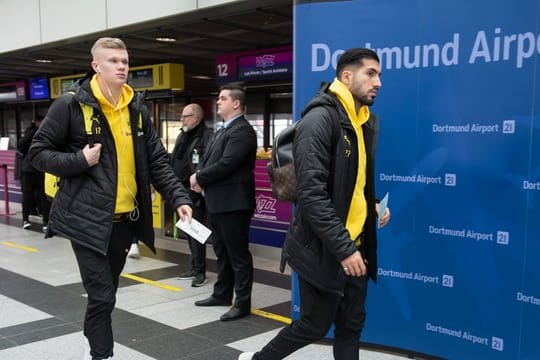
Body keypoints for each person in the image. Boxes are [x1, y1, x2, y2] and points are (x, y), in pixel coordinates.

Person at [27, 37, 192, 360]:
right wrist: (79, 160)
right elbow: (38, 153)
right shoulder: (71, 105)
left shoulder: (137, 108)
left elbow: (157, 161)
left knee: (107, 294)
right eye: (113, 61)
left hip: (124, 222)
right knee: (102, 295)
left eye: (125, 61)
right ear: (96, 66)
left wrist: (178, 197)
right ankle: (101, 354)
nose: (121, 66)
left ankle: (95, 335)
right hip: (86, 219)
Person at [239, 48, 391, 360]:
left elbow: (353, 181)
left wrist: (372, 204)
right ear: (346, 76)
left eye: (379, 75)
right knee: (313, 324)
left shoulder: (363, 121)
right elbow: (311, 194)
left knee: (351, 325)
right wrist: (344, 248)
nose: (379, 82)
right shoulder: (320, 119)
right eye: (371, 73)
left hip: (355, 244)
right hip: (324, 247)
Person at [190, 84, 257, 321]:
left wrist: (199, 177)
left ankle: (242, 302)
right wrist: (199, 176)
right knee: (222, 251)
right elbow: (208, 159)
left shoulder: (243, 131)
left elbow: (228, 163)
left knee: (238, 255)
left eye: (223, 98)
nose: (218, 102)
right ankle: (222, 294)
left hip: (234, 203)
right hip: (218, 202)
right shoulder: (222, 130)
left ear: (236, 103)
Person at [173, 103, 213, 287]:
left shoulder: (206, 136)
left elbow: (205, 163)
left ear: (196, 117)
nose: (182, 120)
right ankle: (194, 266)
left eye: (185, 116)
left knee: (195, 229)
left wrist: (198, 182)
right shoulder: (183, 135)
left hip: (194, 191)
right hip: (180, 189)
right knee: (188, 230)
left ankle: (200, 271)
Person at [18, 115, 50, 232]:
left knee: (27, 195)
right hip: (39, 169)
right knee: (43, 196)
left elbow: (20, 146)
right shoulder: (44, 133)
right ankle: (45, 222)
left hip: (28, 168)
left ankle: (25, 220)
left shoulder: (28, 133)